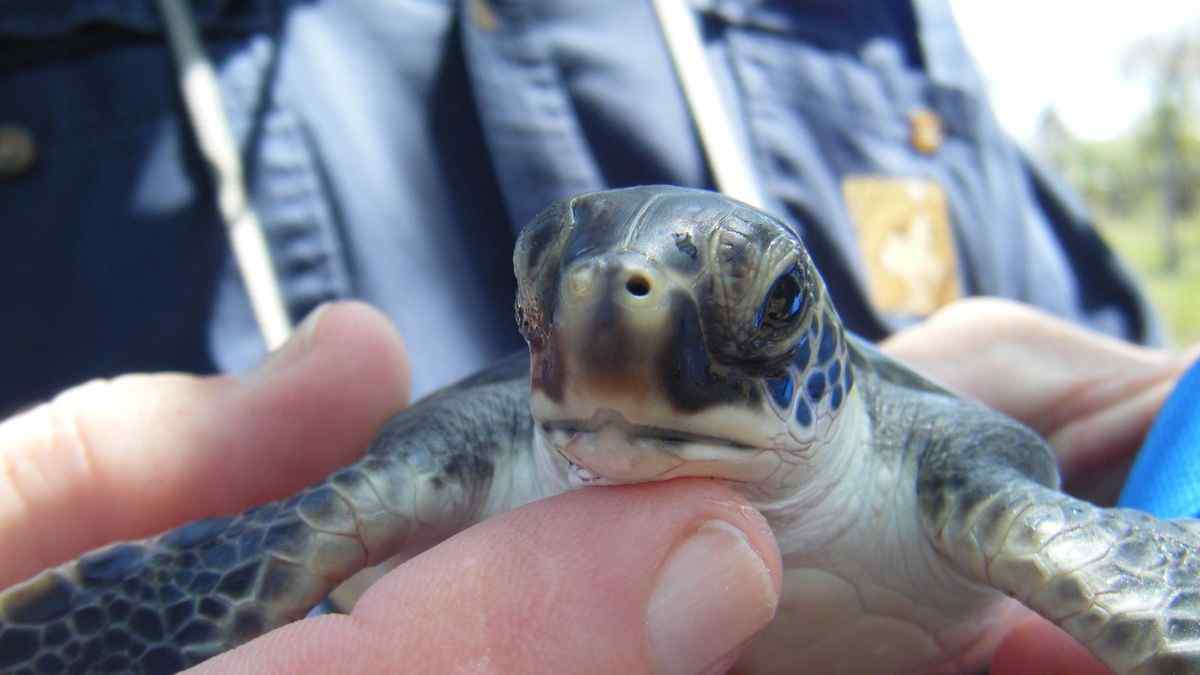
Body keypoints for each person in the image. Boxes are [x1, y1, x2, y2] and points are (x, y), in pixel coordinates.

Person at [0, 0, 1188, 672]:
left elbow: (1134, 452)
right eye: (549, 299)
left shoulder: (951, 483)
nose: (616, 311)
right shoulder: (470, 454)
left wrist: (1158, 420)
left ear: (817, 344)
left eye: (769, 308)